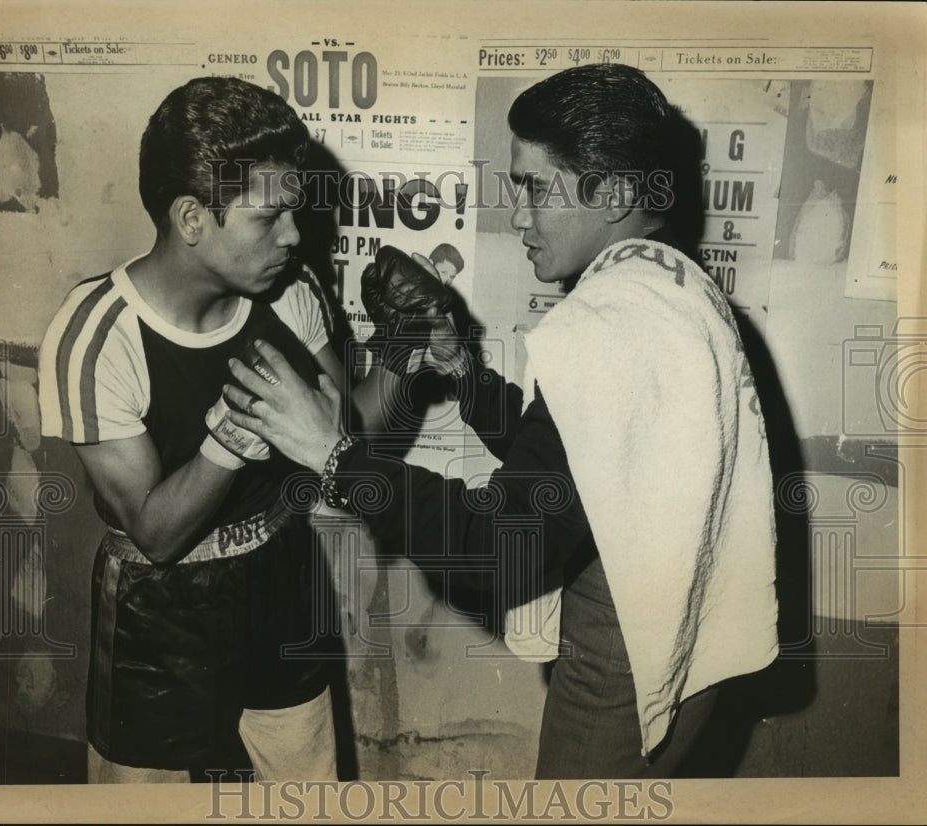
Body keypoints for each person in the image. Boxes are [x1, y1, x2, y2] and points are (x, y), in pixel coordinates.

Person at [222, 63, 780, 778]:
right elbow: (579, 460)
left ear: (609, 193)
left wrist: (336, 458)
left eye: (534, 188)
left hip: (627, 656)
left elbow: (503, 545)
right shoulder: (670, 283)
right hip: (688, 635)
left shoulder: (610, 321)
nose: (520, 215)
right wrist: (462, 373)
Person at [37, 77, 401, 783]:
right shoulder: (95, 336)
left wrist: (408, 347)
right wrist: (234, 437)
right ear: (192, 218)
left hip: (281, 573)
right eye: (270, 218)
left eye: (295, 213)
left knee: (308, 787)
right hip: (161, 611)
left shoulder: (290, 293)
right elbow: (155, 532)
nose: (294, 237)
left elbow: (346, 437)